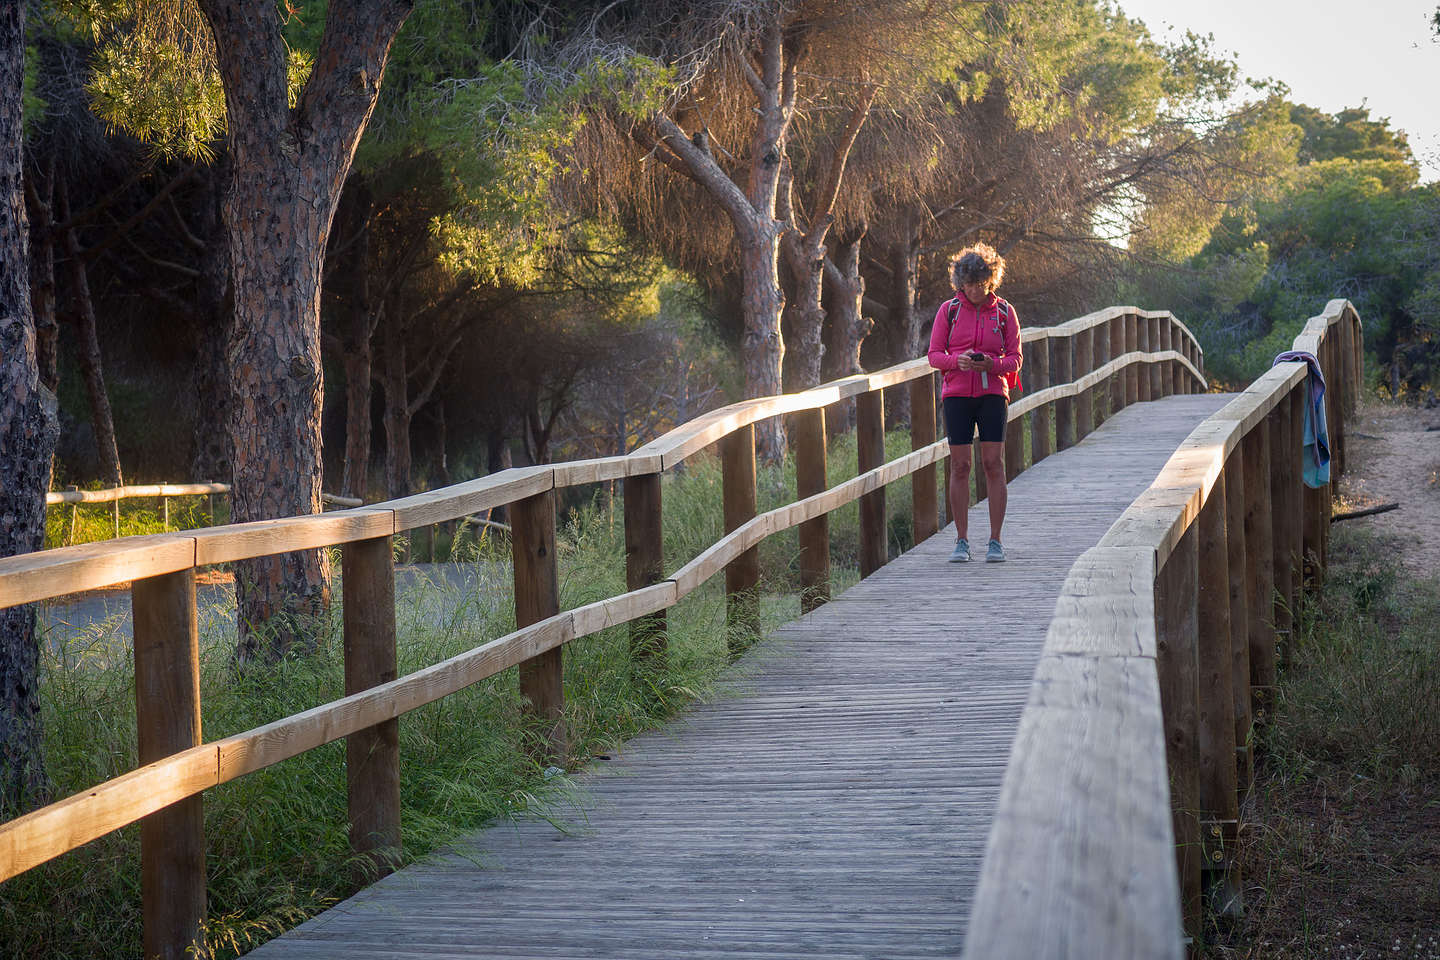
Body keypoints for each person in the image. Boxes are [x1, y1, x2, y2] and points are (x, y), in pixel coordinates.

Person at [926, 243, 1023, 563]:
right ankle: (961, 540)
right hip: (956, 395)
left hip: (993, 394)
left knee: (993, 464)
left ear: (991, 279)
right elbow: (934, 356)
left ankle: (995, 541)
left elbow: (1015, 359)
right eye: (969, 284)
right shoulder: (949, 311)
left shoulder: (1005, 312)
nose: (975, 290)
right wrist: (958, 362)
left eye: (981, 284)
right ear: (960, 283)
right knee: (960, 465)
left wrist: (991, 365)